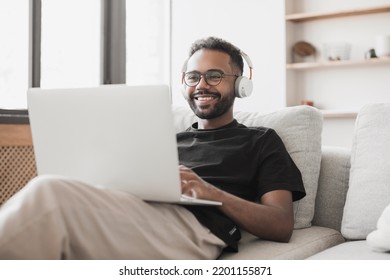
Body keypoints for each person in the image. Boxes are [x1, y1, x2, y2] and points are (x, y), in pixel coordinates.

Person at [0, 37, 305, 259]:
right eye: (193, 76)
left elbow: (280, 225)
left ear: (240, 84)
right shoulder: (166, 139)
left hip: (193, 227)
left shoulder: (261, 140)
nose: (201, 85)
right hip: (131, 212)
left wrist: (210, 193)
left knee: (50, 193)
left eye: (214, 76)